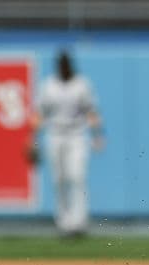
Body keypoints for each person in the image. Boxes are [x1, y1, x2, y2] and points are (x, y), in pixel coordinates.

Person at [31, 51, 104, 237]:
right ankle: (64, 222)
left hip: (77, 134)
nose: (63, 67)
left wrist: (97, 135)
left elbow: (91, 111)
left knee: (77, 176)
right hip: (55, 133)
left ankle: (79, 222)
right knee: (59, 179)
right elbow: (40, 114)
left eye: (65, 64)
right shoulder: (49, 85)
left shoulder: (81, 84)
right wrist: (32, 138)